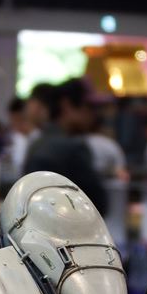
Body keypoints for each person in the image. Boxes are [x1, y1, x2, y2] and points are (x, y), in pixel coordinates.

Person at [23, 79, 108, 216]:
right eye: (89, 107)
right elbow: (98, 207)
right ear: (66, 105)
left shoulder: (37, 143)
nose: (94, 114)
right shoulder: (74, 148)